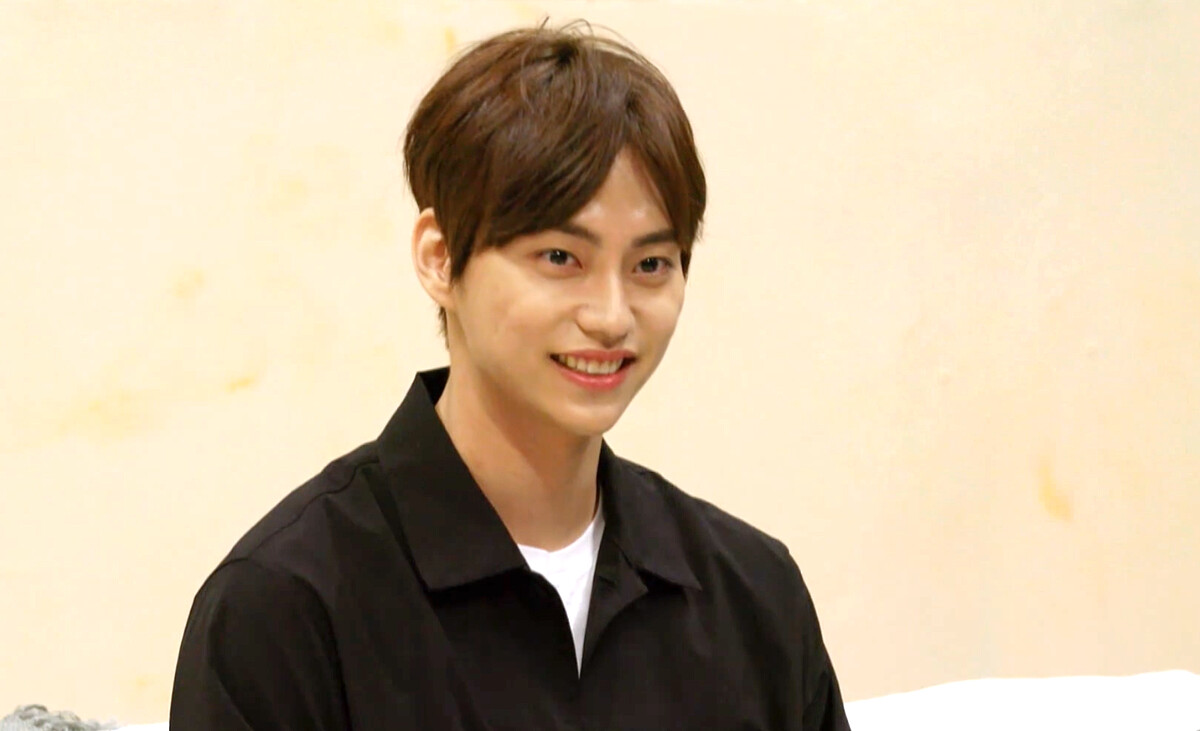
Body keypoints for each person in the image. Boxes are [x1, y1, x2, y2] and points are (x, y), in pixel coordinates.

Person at [170, 22, 850, 731]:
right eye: (560, 257)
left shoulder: (754, 596)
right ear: (440, 258)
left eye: (651, 264)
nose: (612, 316)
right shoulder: (284, 609)